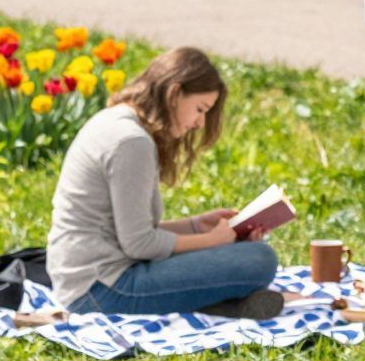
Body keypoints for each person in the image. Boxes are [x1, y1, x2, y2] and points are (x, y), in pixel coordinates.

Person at [47, 47, 282, 317]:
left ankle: (221, 305)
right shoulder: (132, 142)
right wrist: (211, 241)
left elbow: (128, 230)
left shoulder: (118, 121)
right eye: (200, 109)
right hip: (102, 291)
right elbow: (139, 244)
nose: (200, 123)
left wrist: (196, 226)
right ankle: (220, 303)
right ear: (174, 94)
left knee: (244, 251)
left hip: (87, 282)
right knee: (260, 259)